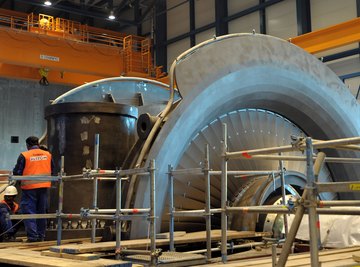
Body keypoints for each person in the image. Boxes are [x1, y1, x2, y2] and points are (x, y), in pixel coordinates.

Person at [13, 136, 54, 242]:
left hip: (29, 189)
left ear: (28, 145)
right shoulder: (48, 155)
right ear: (38, 144)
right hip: (44, 188)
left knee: (29, 212)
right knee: (41, 212)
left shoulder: (25, 155)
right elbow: (53, 170)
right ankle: (41, 236)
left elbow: (17, 172)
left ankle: (33, 237)